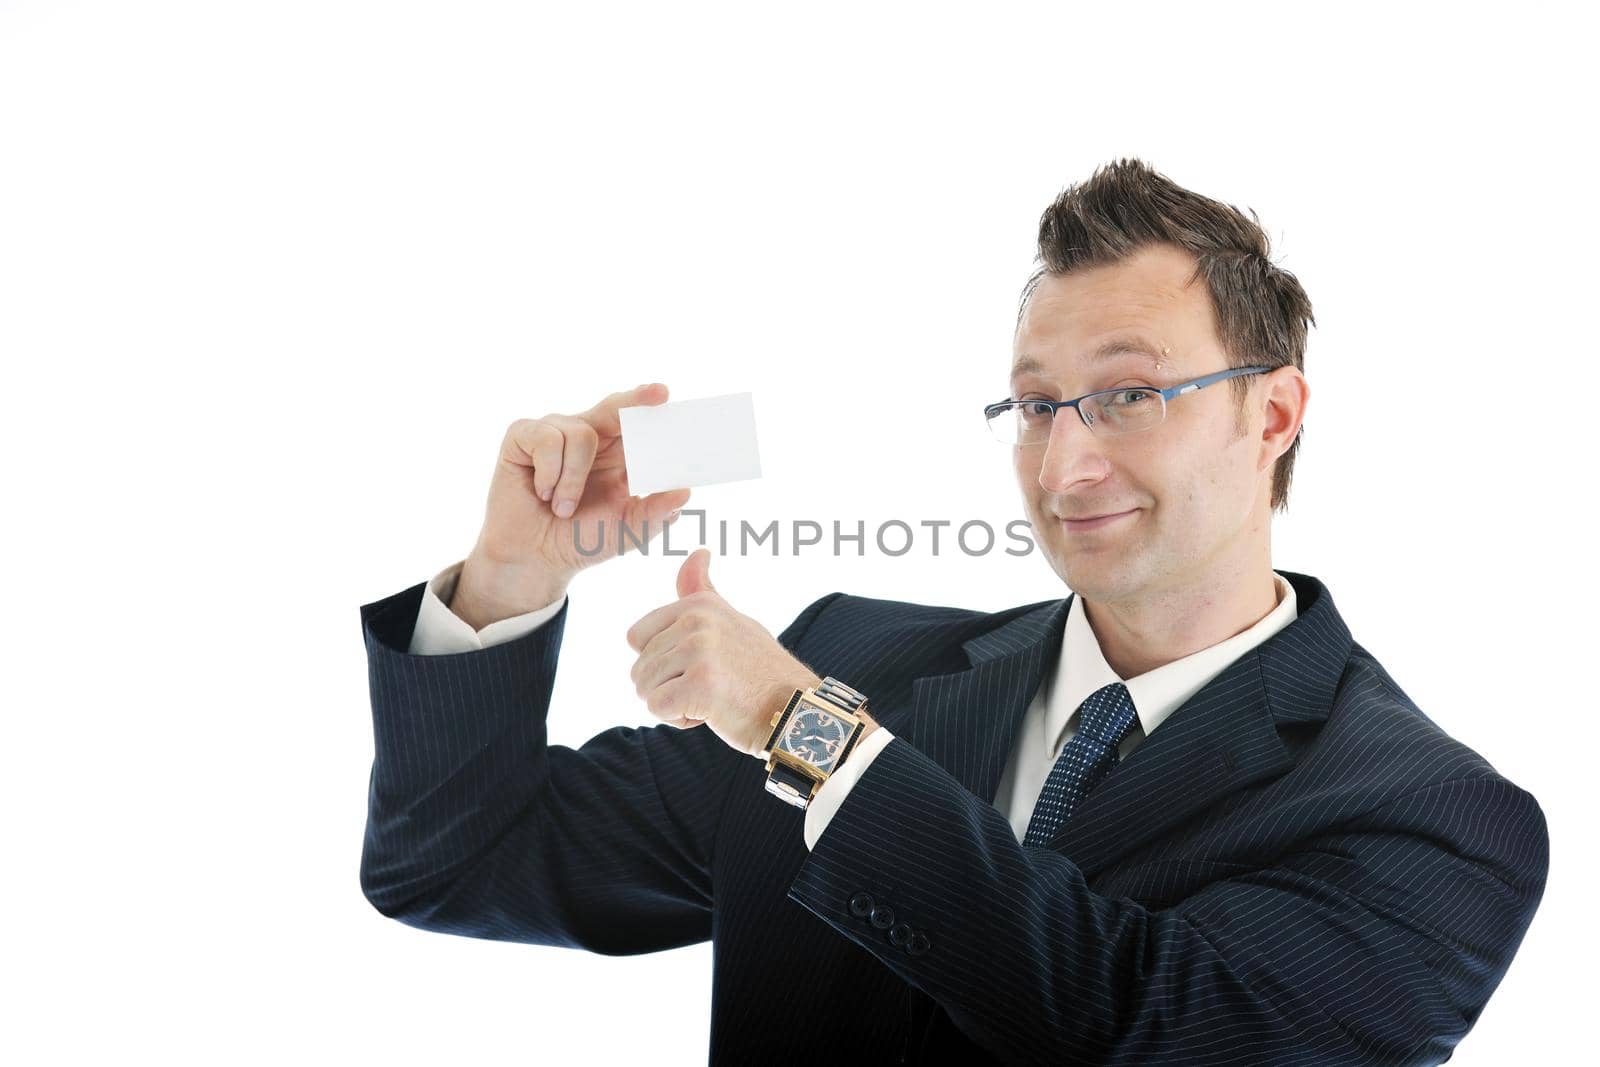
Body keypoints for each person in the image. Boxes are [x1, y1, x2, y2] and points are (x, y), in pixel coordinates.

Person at [356, 158, 1547, 1065]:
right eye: (1035, 405)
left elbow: (1128, 1021)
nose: (1064, 465)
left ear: (1275, 413)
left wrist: (807, 731)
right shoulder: (854, 655)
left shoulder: (1432, 818)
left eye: (1128, 394)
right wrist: (512, 581)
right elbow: (456, 861)